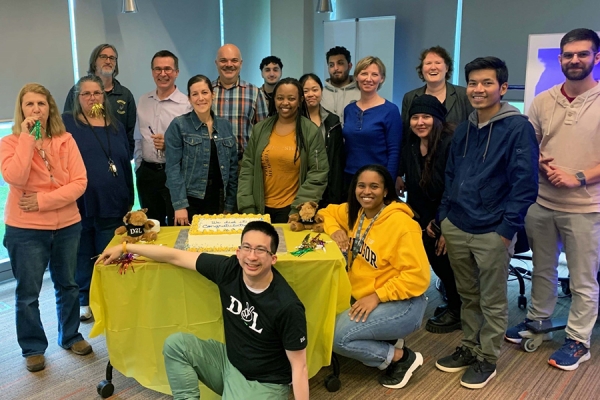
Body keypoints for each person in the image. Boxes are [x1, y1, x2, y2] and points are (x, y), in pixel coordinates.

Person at [95, 221, 308, 399]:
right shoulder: (230, 269)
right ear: (238, 251)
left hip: (264, 383)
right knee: (176, 346)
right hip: (229, 363)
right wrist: (125, 248)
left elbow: (300, 367)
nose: (252, 256)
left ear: (273, 258)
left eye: (261, 250)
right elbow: (175, 256)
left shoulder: (287, 305)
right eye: (247, 247)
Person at [434, 57, 539, 389]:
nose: (478, 89)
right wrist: (444, 217)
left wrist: (507, 229)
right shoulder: (464, 128)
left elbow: (525, 184)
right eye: (473, 83)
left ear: (503, 88)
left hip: (493, 230)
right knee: (468, 294)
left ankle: (487, 358)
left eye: (487, 83)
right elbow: (451, 175)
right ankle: (469, 346)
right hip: (458, 224)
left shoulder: (518, 127)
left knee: (492, 299)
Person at [505, 28, 600, 371]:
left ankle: (578, 340)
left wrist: (578, 178)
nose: (575, 60)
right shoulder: (543, 100)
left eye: (582, 54)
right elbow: (530, 144)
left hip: (587, 207)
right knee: (542, 268)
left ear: (596, 58)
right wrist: (539, 163)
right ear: (559, 59)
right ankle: (538, 321)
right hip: (542, 202)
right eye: (568, 55)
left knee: (582, 278)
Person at [1, 83, 92, 373]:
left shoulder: (65, 140)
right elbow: (15, 178)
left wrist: (41, 200)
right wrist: (28, 139)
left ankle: (71, 336)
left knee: (68, 284)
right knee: (28, 293)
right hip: (25, 230)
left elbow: (79, 183)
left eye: (41, 103)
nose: (36, 109)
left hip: (66, 226)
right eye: (29, 104)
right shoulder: (10, 143)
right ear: (22, 109)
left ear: (49, 107)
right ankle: (33, 348)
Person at [320, 164, 430, 389]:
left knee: (336, 338)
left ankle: (402, 357)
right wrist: (335, 230)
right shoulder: (356, 212)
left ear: (386, 191)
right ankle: (383, 336)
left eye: (374, 186)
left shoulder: (402, 225)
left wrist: (377, 296)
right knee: (322, 314)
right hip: (364, 295)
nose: (366, 192)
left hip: (403, 303)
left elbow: (418, 277)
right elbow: (326, 212)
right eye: (361, 186)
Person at [62, 75, 134, 321]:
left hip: (113, 202)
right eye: (87, 94)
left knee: (108, 253)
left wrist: (129, 198)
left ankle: (108, 297)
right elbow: (40, 137)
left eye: (97, 93)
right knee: (82, 253)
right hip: (79, 202)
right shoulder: (66, 122)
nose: (93, 98)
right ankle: (85, 299)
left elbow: (125, 163)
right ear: (77, 98)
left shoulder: (114, 125)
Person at [397, 94, 460, 334]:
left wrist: (444, 224)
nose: (420, 122)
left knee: (447, 263)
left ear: (438, 119)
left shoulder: (449, 143)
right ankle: (454, 304)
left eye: (426, 117)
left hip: (447, 213)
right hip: (422, 213)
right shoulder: (412, 144)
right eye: (415, 117)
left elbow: (453, 187)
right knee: (436, 262)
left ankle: (458, 311)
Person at [237, 78, 329, 223]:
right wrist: (247, 206)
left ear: (300, 101)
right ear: (274, 99)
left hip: (291, 211)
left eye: (291, 98)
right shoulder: (260, 129)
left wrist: (297, 210)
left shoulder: (310, 131)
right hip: (258, 208)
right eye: (280, 98)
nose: (285, 103)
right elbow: (247, 168)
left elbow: (318, 173)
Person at [165, 75, 238, 226]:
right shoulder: (178, 125)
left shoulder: (225, 126)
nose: (200, 98)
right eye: (195, 94)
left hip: (218, 199)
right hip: (190, 201)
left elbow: (232, 170)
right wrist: (180, 205)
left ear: (213, 94)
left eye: (204, 92)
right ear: (189, 99)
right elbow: (172, 169)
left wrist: (229, 206)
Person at [134, 50, 192, 226]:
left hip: (174, 175)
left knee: (177, 226)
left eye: (168, 69)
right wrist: (138, 168)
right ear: (152, 72)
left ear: (176, 72)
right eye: (158, 69)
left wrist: (170, 145)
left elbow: (192, 145)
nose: (163, 74)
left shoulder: (187, 104)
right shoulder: (143, 100)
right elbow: (138, 138)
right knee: (150, 227)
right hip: (147, 174)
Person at [64, 44, 136, 159]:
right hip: (83, 158)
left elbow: (129, 135)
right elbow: (68, 127)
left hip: (116, 159)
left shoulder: (125, 95)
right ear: (94, 62)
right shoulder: (77, 91)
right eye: (103, 57)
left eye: (112, 58)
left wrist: (125, 159)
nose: (108, 61)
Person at [343, 56, 402, 186]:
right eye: (364, 73)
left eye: (374, 74)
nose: (368, 79)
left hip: (377, 179)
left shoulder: (390, 110)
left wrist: (388, 183)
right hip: (349, 177)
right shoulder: (349, 110)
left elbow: (394, 151)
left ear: (381, 79)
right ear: (357, 77)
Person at [400, 46, 473, 149]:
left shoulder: (463, 95)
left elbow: (472, 131)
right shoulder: (410, 97)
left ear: (446, 68)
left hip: (456, 156)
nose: (433, 67)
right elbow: (406, 134)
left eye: (438, 63)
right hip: (420, 158)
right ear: (422, 69)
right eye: (428, 63)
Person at [212, 44, 269, 161]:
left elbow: (265, 132)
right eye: (223, 61)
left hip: (244, 163)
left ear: (241, 64)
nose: (229, 65)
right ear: (216, 63)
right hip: (212, 164)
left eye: (234, 60)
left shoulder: (255, 93)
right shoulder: (206, 92)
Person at [300, 73, 345, 207]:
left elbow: (337, 160)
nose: (310, 94)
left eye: (315, 89)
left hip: (328, 183)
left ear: (321, 91)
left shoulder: (333, 121)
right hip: (302, 183)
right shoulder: (294, 121)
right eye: (305, 91)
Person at [321, 46, 362, 122]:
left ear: (349, 66)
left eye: (340, 63)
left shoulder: (361, 93)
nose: (336, 68)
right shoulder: (320, 94)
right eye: (331, 65)